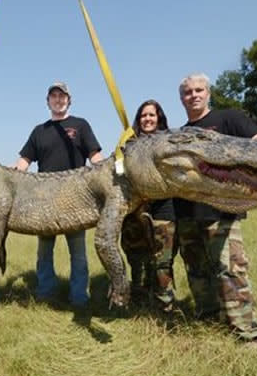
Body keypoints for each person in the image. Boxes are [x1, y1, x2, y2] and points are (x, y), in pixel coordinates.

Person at [175, 73, 257, 342]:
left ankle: (248, 335)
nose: (194, 95)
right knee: (197, 272)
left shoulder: (228, 119)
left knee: (231, 270)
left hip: (221, 212)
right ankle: (209, 321)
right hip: (187, 214)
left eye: (199, 90)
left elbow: (256, 139)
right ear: (181, 99)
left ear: (208, 93)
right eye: (188, 92)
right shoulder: (180, 135)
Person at [15, 81, 103, 308]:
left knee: (79, 254)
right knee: (44, 251)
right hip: (45, 201)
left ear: (69, 100)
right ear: (48, 102)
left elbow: (95, 156)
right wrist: (11, 177)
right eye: (53, 96)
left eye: (62, 96)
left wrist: (107, 173)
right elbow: (24, 160)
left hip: (76, 200)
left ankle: (79, 297)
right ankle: (46, 293)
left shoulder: (80, 125)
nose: (58, 99)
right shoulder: (39, 131)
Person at [120, 99, 176, 311]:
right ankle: (139, 304)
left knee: (162, 262)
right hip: (133, 212)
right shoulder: (129, 144)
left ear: (159, 117)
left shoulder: (169, 142)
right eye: (143, 115)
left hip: (163, 210)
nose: (147, 119)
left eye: (151, 115)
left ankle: (164, 307)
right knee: (136, 259)